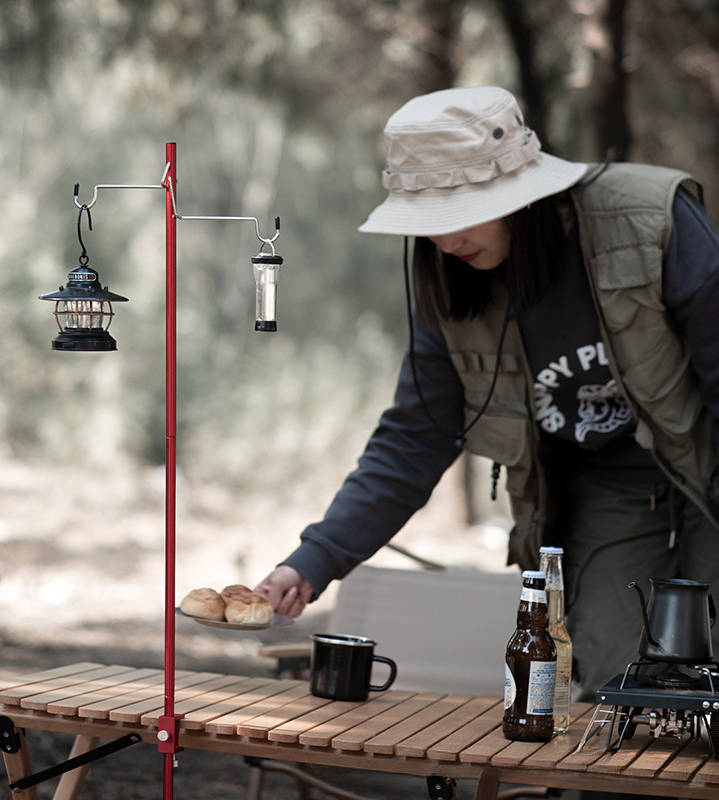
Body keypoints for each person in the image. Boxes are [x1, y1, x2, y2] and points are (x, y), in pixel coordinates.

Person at [255, 86, 719, 705]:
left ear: (519, 198)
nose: (443, 242)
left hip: (708, 462)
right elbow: (415, 436)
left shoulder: (647, 217)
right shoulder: (447, 283)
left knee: (707, 672)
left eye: (454, 214)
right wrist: (314, 560)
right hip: (611, 492)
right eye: (426, 222)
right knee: (619, 691)